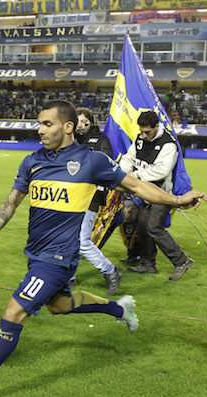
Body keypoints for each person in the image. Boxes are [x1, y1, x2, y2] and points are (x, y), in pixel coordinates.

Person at [0, 101, 207, 397]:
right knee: (60, 305)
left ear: (68, 127)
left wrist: (177, 200)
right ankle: (120, 310)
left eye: (47, 124)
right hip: (36, 254)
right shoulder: (32, 162)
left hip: (58, 258)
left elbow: (136, 187)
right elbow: (10, 204)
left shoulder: (91, 161)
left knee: (13, 313)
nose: (40, 129)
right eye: (39, 123)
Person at [119, 110, 196, 281]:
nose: (144, 135)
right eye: (142, 131)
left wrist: (135, 175)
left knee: (154, 228)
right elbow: (128, 158)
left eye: (147, 132)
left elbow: (162, 171)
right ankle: (148, 265)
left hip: (162, 194)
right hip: (145, 193)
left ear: (156, 126)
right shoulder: (140, 139)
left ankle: (182, 261)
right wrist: (122, 173)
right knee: (143, 227)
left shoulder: (168, 144)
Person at [75, 107, 122, 295]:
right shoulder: (69, 140)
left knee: (82, 242)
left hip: (91, 196)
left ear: (91, 122)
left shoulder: (101, 140)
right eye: (77, 121)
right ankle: (67, 278)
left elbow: (106, 166)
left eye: (83, 121)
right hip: (70, 196)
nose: (80, 125)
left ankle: (110, 271)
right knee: (68, 239)